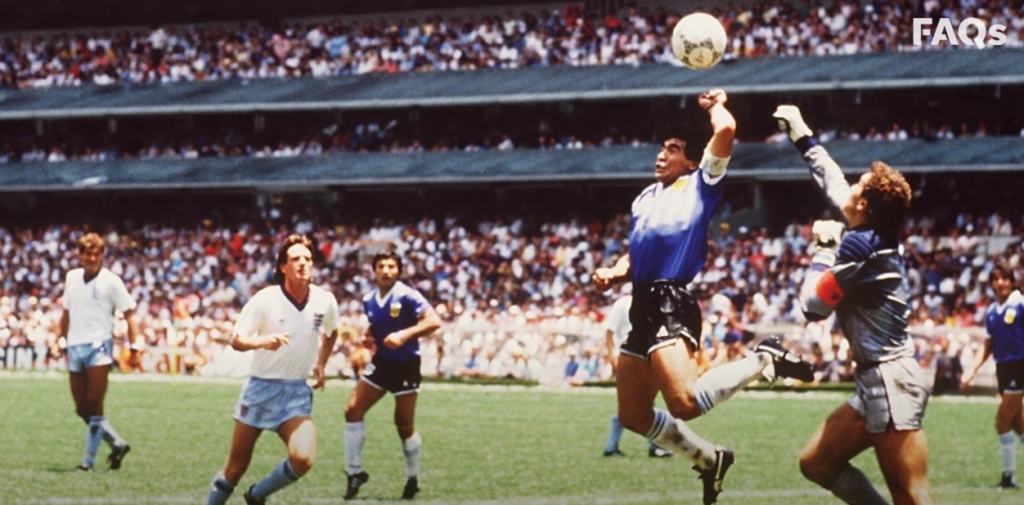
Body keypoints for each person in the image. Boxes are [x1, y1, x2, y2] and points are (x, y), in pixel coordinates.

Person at [593, 89, 813, 505]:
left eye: (673, 150)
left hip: (669, 300)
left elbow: (727, 129)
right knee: (633, 416)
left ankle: (762, 360)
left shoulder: (701, 183)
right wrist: (616, 271)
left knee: (686, 403)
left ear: (692, 160)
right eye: (661, 149)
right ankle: (710, 459)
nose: (661, 156)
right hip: (641, 302)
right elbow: (638, 249)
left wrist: (715, 106)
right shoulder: (645, 198)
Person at [774, 104, 934, 505]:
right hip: (877, 379)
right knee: (817, 463)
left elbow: (813, 306)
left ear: (863, 207)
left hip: (890, 378)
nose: (849, 188)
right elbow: (833, 182)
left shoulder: (860, 246)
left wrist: (823, 252)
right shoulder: (870, 236)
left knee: (910, 494)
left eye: (857, 186)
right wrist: (802, 136)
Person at [204, 234, 338, 505]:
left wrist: (321, 362)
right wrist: (262, 341)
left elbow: (332, 332)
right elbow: (237, 340)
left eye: (308, 259)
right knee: (235, 468)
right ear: (283, 267)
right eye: (295, 259)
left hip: (296, 393)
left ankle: (257, 495)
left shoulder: (325, 301)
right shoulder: (265, 299)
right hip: (260, 389)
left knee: (303, 459)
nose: (303, 264)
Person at [343, 250, 442, 500]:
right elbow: (375, 327)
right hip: (382, 363)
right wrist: (369, 337)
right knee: (352, 410)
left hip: (406, 365)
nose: (386, 270)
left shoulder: (408, 295)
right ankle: (355, 472)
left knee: (403, 425)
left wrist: (404, 335)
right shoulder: (369, 299)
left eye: (391, 266)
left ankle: (412, 478)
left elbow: (434, 322)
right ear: (374, 270)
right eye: (381, 266)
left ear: (398, 271)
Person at [60, 232, 140, 472]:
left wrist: (134, 346)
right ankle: (116, 442)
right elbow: (66, 312)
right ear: (80, 255)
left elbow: (129, 313)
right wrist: (60, 339)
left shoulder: (111, 281)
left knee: (95, 403)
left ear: (103, 255)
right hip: (75, 345)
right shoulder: (72, 278)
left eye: (97, 253)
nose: (92, 258)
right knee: (81, 409)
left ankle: (88, 460)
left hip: (99, 346)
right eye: (88, 253)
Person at [962, 265, 1024, 489]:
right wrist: (972, 369)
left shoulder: (1020, 304)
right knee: (1019, 425)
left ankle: (1008, 478)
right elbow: (987, 344)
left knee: (1001, 422)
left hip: (1020, 366)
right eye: (996, 279)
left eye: (1005, 279)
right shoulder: (992, 311)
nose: (1001, 283)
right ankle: (1009, 478)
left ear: (1012, 281)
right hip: (1003, 368)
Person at [601, 293, 671, 458]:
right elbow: (610, 332)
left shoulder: (655, 303)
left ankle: (613, 447)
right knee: (635, 404)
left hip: (647, 357)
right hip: (630, 356)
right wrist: (612, 358)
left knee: (639, 403)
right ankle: (653, 447)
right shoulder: (624, 303)